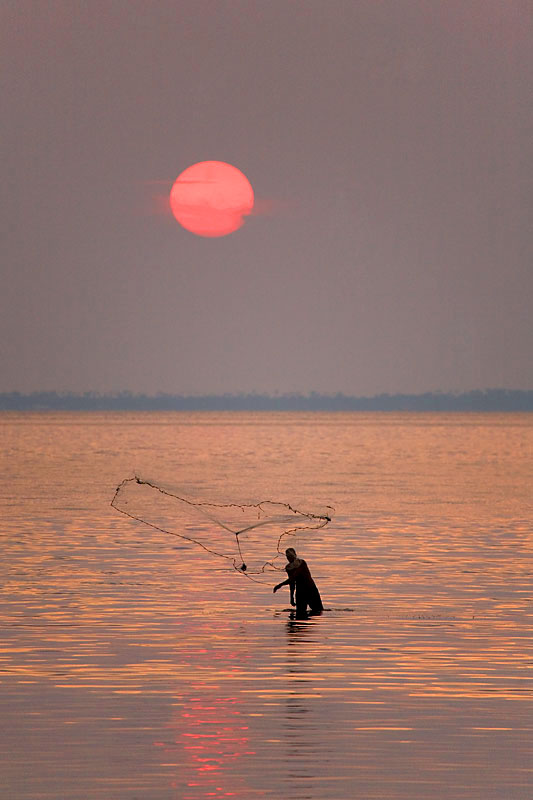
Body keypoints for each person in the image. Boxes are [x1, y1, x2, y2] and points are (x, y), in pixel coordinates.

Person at [273, 547, 323, 617]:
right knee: (300, 614)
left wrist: (280, 585)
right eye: (287, 557)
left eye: (289, 556)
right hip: (300, 592)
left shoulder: (301, 563)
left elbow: (293, 578)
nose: (289, 558)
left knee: (318, 611)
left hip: (310, 589)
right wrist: (291, 598)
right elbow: (292, 583)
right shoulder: (289, 567)